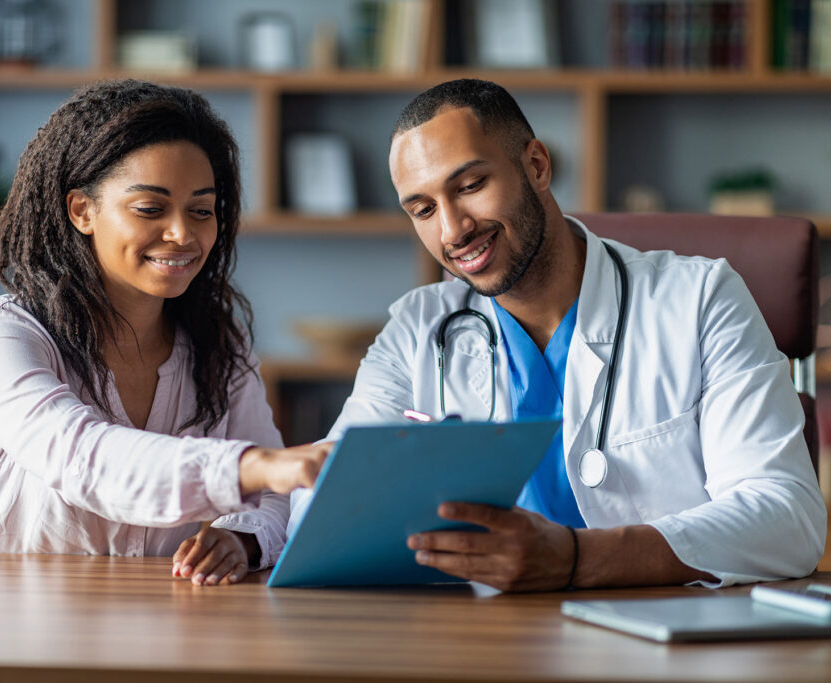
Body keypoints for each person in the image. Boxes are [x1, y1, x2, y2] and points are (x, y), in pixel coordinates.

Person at [290, 78, 825, 591]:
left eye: (471, 185)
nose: (452, 230)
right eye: (424, 209)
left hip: (665, 630)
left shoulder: (700, 298)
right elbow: (318, 510)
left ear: (537, 166)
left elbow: (787, 517)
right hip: (484, 636)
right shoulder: (417, 329)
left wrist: (574, 560)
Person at [0, 79, 330, 586]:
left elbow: (274, 495)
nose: (183, 234)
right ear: (82, 210)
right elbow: (82, 458)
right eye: (150, 209)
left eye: (202, 210)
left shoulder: (218, 343)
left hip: (157, 641)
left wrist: (242, 536)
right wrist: (252, 466)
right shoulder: (2, 334)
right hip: (2, 641)